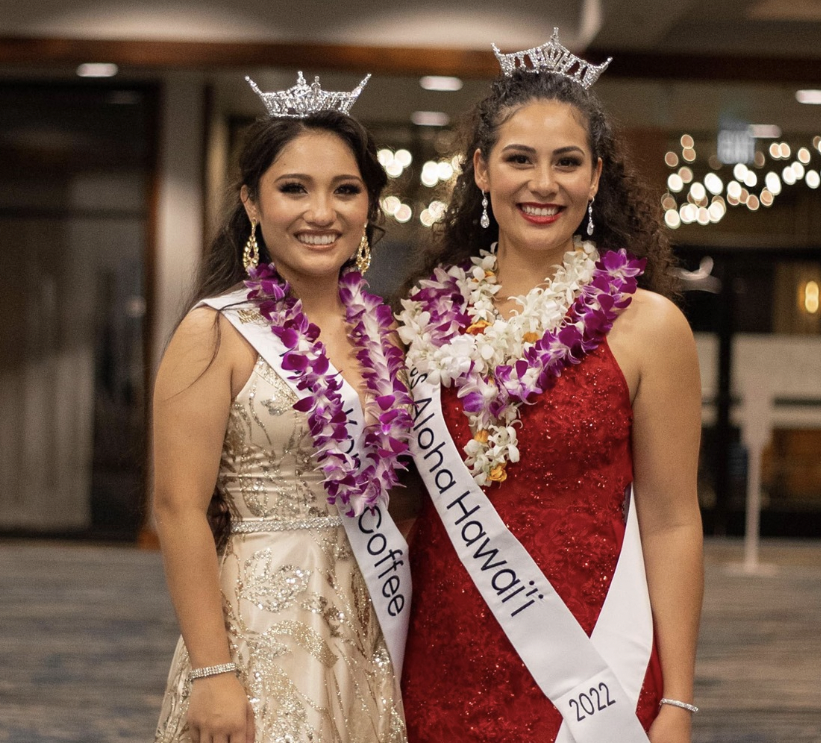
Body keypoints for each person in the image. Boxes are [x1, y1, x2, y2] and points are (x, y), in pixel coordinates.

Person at [398, 30, 703, 743]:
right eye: (518, 159)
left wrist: (677, 701)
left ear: (595, 177)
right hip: (442, 656)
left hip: (595, 658)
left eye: (566, 162)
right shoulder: (423, 320)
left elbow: (672, 520)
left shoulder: (647, 326)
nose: (543, 183)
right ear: (480, 170)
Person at [153, 73, 412, 743]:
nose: (320, 212)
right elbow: (178, 508)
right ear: (252, 200)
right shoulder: (216, 329)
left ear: (368, 205)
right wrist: (213, 668)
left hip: (367, 618)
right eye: (294, 187)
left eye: (344, 189)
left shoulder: (384, 334)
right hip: (257, 623)